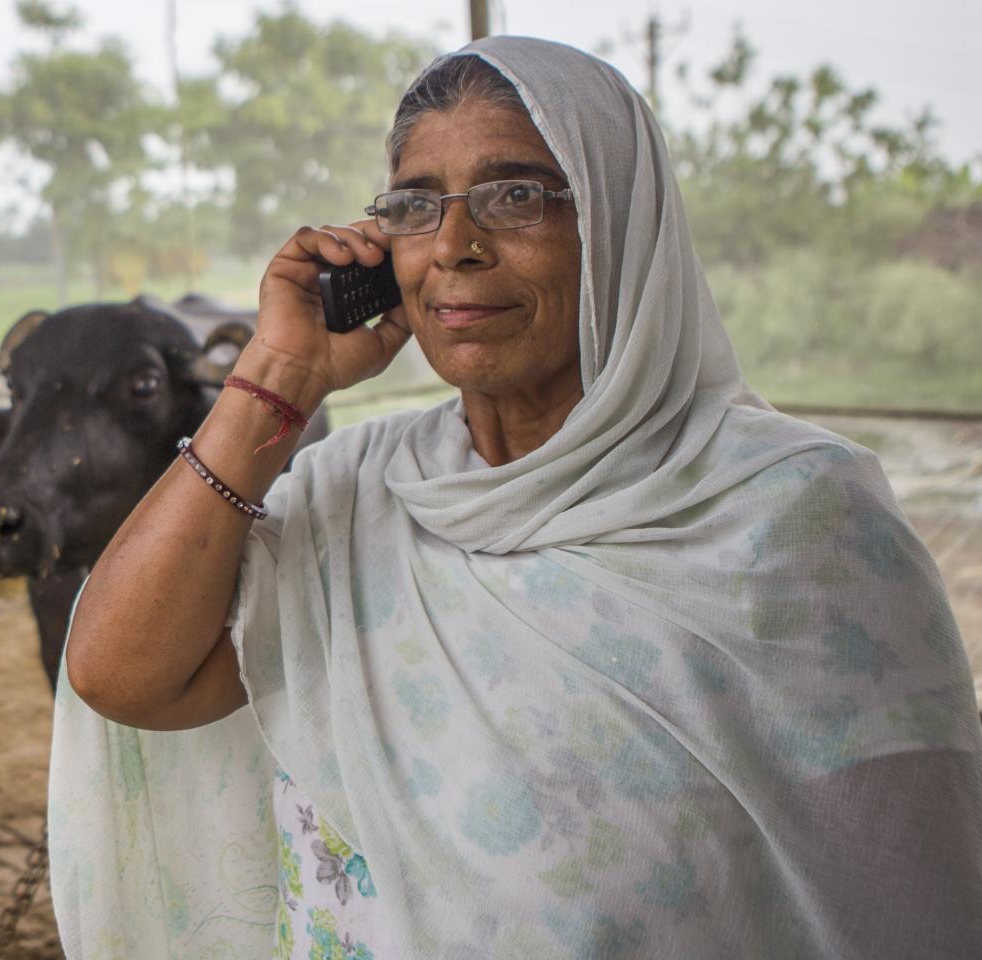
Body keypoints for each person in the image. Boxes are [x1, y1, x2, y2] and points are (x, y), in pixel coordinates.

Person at [48, 36, 982, 959]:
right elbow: (122, 677)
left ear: (621, 223)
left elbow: (905, 885)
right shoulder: (357, 493)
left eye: (518, 196)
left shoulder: (795, 514)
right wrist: (275, 380)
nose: (454, 246)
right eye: (416, 206)